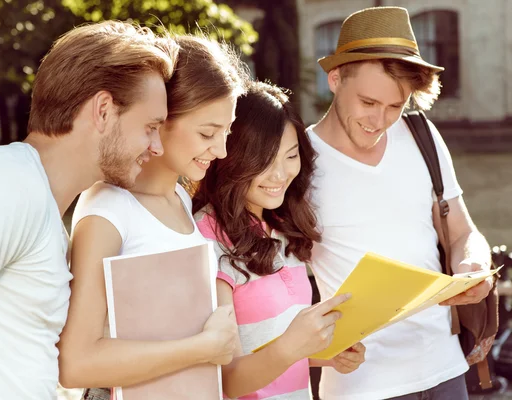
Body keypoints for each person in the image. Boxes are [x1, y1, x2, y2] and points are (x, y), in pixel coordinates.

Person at [0, 20, 178, 400]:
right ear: (103, 110)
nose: (157, 147)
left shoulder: (38, 204)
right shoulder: (3, 185)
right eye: (151, 126)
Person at [307, 6, 493, 400]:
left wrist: (472, 265)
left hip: (445, 371)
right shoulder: (298, 162)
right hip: (361, 385)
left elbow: (463, 231)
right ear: (335, 79)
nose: (380, 120)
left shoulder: (422, 134)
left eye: (396, 106)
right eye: (368, 102)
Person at [57, 34, 249, 398]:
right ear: (160, 120)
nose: (222, 150)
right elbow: (75, 363)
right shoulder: (109, 208)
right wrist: (202, 348)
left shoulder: (179, 197)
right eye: (208, 132)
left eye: (227, 131)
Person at [192, 81, 366, 399]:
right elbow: (224, 381)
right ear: (231, 158)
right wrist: (290, 347)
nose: (280, 175)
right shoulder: (206, 238)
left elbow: (269, 343)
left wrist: (327, 353)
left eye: (290, 156)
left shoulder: (282, 229)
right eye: (264, 161)